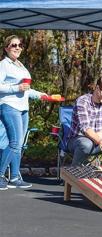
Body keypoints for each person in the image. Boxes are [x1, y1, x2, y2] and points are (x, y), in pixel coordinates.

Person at [0, 35, 47, 190]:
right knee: (13, 143)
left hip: (23, 108)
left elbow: (26, 89)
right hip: (9, 106)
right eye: (14, 45)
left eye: (20, 45)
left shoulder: (21, 66)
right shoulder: (4, 65)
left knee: (19, 145)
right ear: (7, 48)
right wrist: (16, 88)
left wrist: (41, 95)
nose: (18, 47)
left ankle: (14, 177)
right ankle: (0, 175)